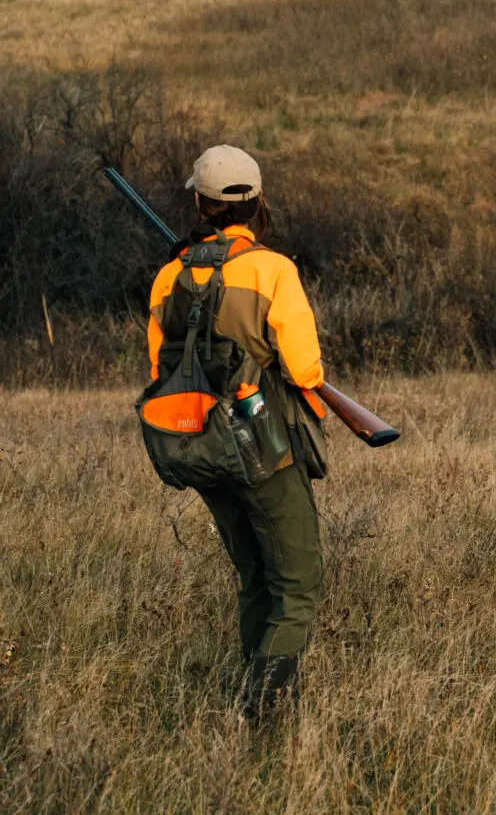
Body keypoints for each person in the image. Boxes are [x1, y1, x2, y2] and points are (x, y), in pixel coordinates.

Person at [141, 145, 329, 718]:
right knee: (297, 583)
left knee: (252, 573)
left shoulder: (168, 278)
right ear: (256, 204)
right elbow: (305, 370)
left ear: (198, 202)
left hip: (196, 446)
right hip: (261, 444)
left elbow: (158, 372)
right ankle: (261, 710)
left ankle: (251, 689)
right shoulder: (274, 270)